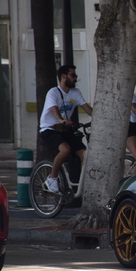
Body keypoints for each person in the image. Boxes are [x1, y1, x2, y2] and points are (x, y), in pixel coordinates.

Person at [39, 65, 93, 193]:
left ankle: (83, 185)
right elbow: (54, 109)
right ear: (64, 77)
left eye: (76, 76)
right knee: (65, 149)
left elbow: (87, 109)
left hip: (64, 130)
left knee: (85, 154)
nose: (75, 79)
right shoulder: (53, 92)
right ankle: (51, 178)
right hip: (49, 129)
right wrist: (61, 120)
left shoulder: (76, 93)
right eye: (73, 75)